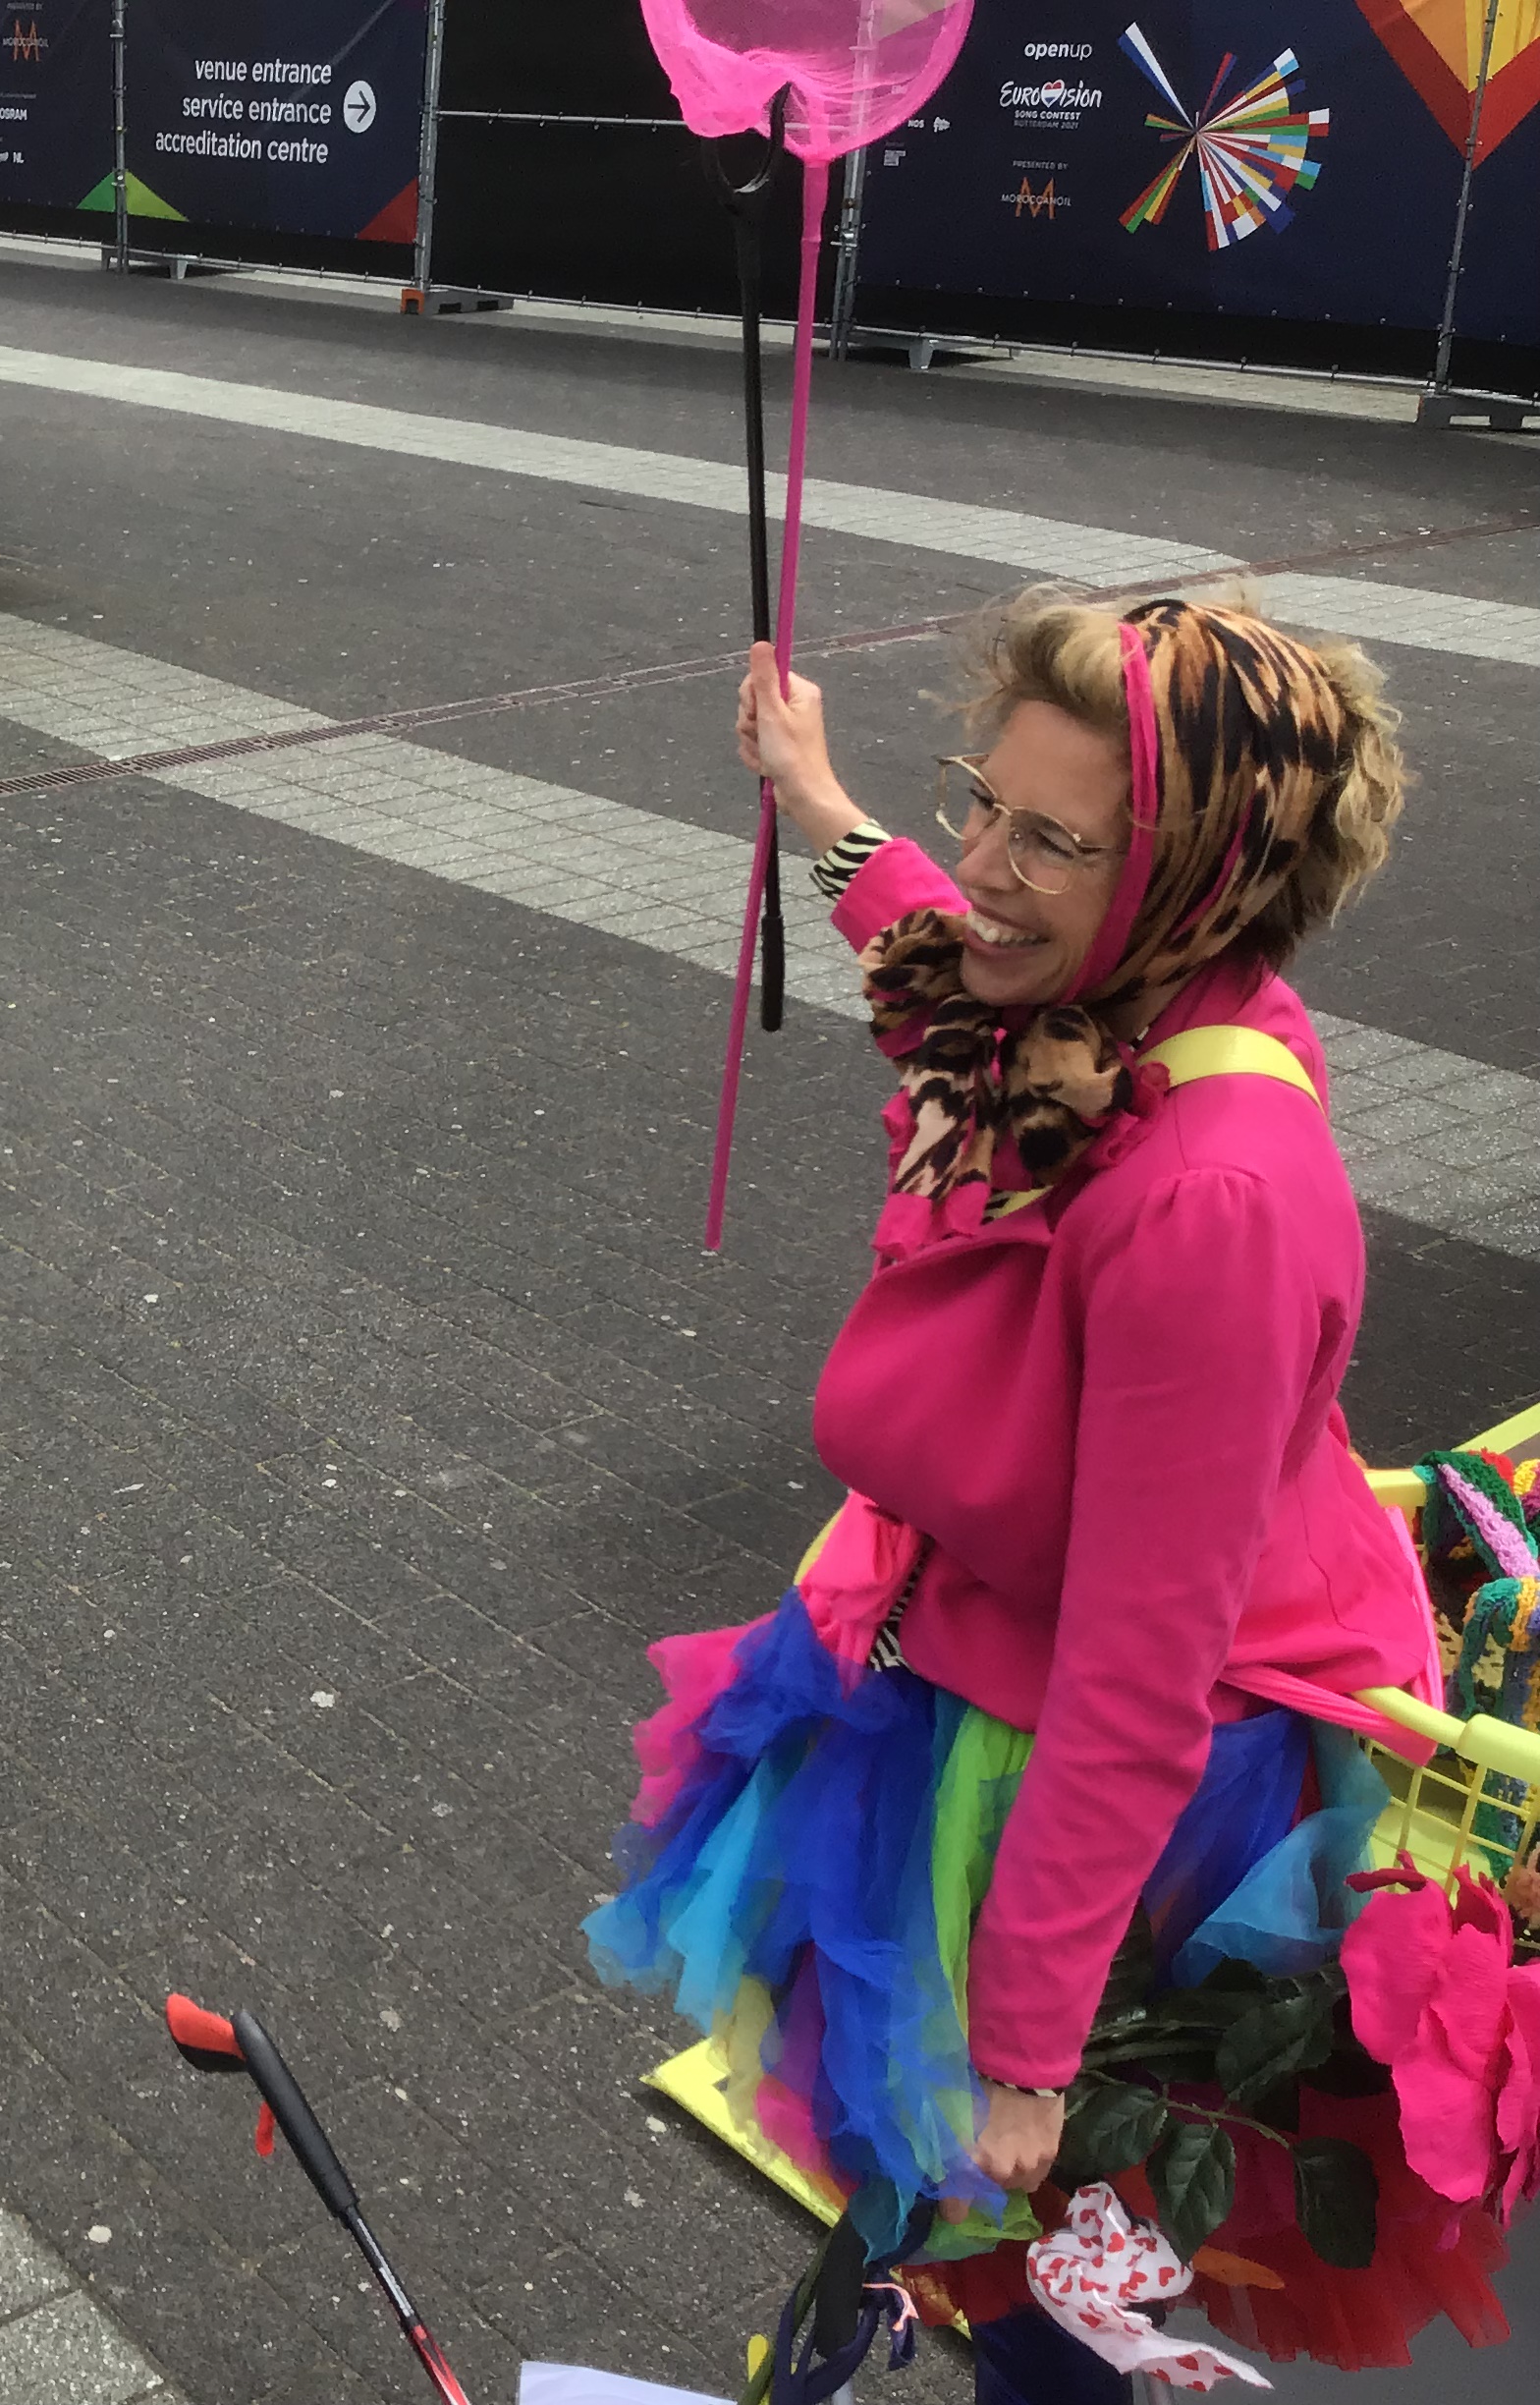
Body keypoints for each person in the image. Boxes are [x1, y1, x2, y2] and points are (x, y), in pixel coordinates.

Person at [587, 594, 1511, 2398]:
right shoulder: (1107, 1003)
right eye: (981, 801)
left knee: (1040, 2261)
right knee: (965, 2242)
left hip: (1101, 1789)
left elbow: (1136, 1670)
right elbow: (948, 960)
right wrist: (815, 792)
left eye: (1051, 839)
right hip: (966, 1654)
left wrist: (1024, 2043)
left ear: (1196, 884)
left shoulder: (1215, 1203)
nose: (984, 866)